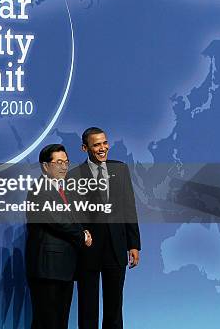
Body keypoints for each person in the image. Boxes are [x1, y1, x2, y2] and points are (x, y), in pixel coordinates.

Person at [69, 127, 141, 329]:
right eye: (96, 144)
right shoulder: (74, 176)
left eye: (104, 143)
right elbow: (73, 213)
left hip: (116, 247)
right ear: (85, 148)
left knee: (114, 308)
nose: (102, 148)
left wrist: (133, 244)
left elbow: (129, 207)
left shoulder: (120, 169)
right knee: (88, 308)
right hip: (88, 250)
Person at [26, 144, 92, 329]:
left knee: (60, 321)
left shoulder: (65, 190)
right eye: (59, 162)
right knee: (47, 321)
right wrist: (82, 235)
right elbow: (56, 219)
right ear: (45, 166)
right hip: (47, 268)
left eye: (66, 162)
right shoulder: (39, 189)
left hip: (64, 267)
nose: (64, 167)